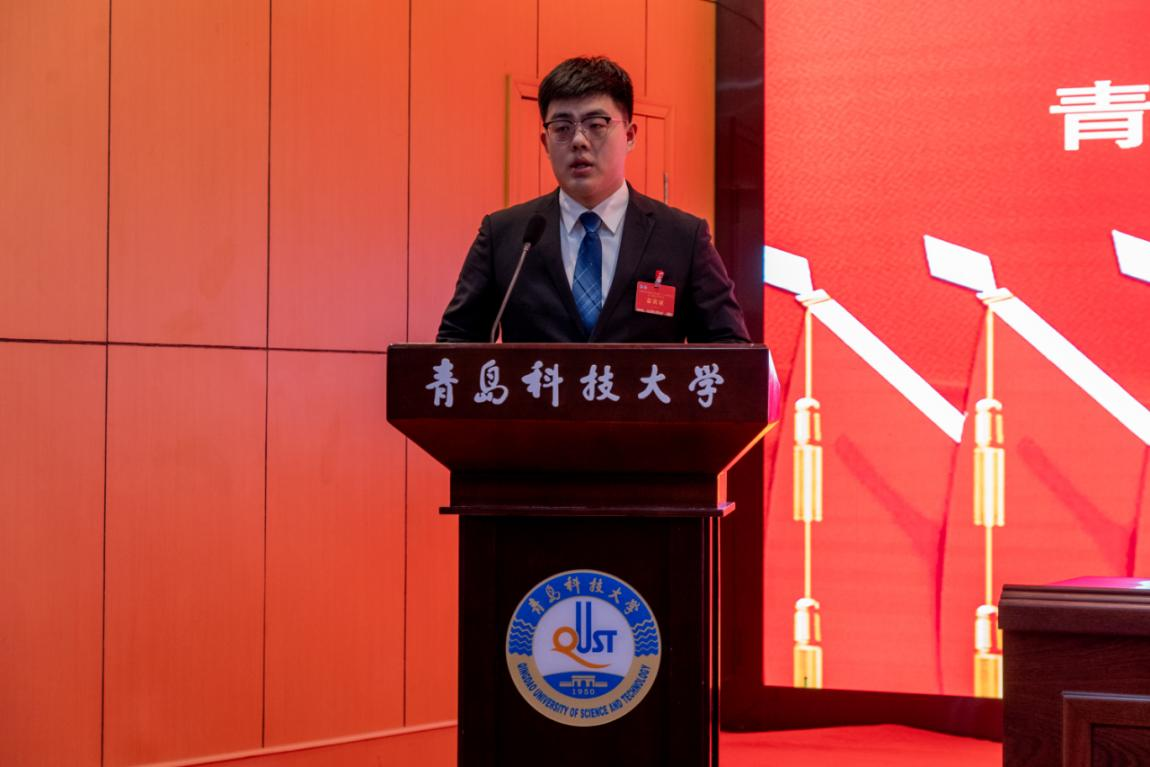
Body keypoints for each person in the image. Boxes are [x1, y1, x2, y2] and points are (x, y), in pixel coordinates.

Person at [436, 56, 749, 344]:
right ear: (545, 142)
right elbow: (456, 342)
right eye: (562, 128)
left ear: (629, 135)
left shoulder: (683, 237)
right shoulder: (505, 235)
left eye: (596, 125)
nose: (578, 141)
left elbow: (730, 349)